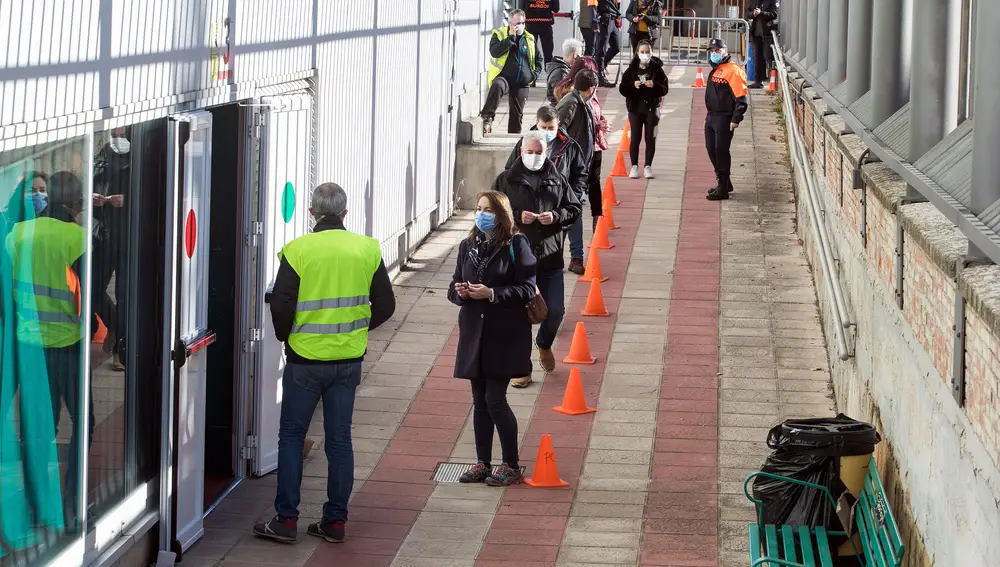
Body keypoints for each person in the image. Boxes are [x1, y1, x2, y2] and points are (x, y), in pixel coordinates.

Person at [254, 183, 396, 544]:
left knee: (291, 436)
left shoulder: (298, 250)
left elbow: (281, 304)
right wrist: (357, 331)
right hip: (348, 360)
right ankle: (335, 522)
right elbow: (386, 305)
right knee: (339, 440)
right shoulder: (367, 248)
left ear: (312, 212)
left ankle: (286, 520)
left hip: (305, 360)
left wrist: (288, 337)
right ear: (345, 214)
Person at [7, 171, 95, 529]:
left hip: (29, 346)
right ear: (72, 203)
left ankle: (35, 500)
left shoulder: (16, 235)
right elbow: (88, 295)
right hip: (67, 347)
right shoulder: (77, 238)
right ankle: (73, 503)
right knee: (82, 422)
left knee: (40, 427)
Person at [449, 191, 536, 487]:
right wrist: (461, 292)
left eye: (487, 209)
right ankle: (482, 463)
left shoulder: (516, 244)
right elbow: (452, 287)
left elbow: (527, 288)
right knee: (479, 401)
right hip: (475, 333)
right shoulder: (468, 246)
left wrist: (493, 293)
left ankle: (510, 464)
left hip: (504, 334)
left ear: (501, 213)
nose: (481, 213)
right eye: (478, 208)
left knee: (495, 399)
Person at [492, 131, 581, 388]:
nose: (533, 157)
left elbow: (574, 208)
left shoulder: (556, 179)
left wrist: (555, 216)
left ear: (546, 152)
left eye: (538, 152)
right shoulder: (506, 180)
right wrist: (517, 216)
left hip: (550, 258)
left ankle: (544, 343)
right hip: (516, 263)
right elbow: (493, 211)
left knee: (554, 311)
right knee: (518, 319)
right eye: (529, 152)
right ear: (521, 152)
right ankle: (521, 368)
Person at [505, 106, 589, 274]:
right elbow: (509, 171)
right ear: (537, 124)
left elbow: (580, 174)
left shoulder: (569, 146)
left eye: (551, 128)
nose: (547, 131)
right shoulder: (524, 143)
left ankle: (576, 257)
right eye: (544, 127)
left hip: (559, 196)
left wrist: (573, 195)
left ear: (558, 124)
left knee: (571, 220)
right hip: (532, 198)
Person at [92, 127, 130, 371]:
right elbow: (93, 180)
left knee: (126, 295)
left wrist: (128, 199)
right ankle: (115, 327)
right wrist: (94, 196)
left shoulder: (143, 153)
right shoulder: (105, 151)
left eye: (122, 127)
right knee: (93, 288)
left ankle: (121, 350)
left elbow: (158, 191)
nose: (117, 131)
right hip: (104, 236)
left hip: (130, 237)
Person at [480, 9, 543, 135]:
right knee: (497, 86)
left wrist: (533, 75)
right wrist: (510, 38)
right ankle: (487, 117)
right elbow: (494, 51)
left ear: (524, 23)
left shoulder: (529, 38)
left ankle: (513, 140)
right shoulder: (499, 34)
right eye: (514, 23)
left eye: (520, 23)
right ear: (509, 23)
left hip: (522, 81)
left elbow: (538, 59)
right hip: (504, 77)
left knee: (517, 114)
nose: (517, 26)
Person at [556, 68, 604, 232]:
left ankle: (577, 251)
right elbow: (558, 131)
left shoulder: (584, 102)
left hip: (583, 162)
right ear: (592, 89)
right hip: (573, 165)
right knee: (574, 204)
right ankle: (573, 247)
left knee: (577, 201)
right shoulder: (571, 103)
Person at [704, 39, 748, 201]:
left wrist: (736, 118)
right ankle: (724, 182)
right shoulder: (716, 70)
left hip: (724, 117)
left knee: (721, 151)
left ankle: (722, 187)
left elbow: (741, 98)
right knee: (711, 149)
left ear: (725, 50)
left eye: (717, 51)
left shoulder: (733, 71)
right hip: (711, 116)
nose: (714, 54)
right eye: (712, 51)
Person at [619, 40, 669, 179]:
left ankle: (648, 166)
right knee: (635, 138)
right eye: (642, 52)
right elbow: (623, 88)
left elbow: (665, 89)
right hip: (635, 108)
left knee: (650, 138)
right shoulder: (631, 69)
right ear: (637, 53)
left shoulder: (657, 69)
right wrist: (632, 85)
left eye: (647, 52)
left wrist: (655, 85)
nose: (645, 55)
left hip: (652, 109)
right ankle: (634, 166)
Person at [746, 0, 778, 89]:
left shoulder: (772, 1)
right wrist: (753, 14)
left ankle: (774, 80)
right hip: (756, 34)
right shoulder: (753, 1)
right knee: (757, 58)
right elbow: (747, 14)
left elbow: (774, 15)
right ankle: (758, 82)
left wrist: (761, 13)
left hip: (767, 33)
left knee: (768, 57)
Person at [546, 38, 584, 106]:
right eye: (580, 54)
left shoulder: (563, 69)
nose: (581, 57)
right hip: (561, 110)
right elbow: (563, 97)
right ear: (575, 55)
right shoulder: (562, 73)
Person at [594, 0, 622, 87]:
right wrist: (594, 21)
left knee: (616, 47)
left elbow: (617, 3)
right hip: (604, 18)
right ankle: (600, 77)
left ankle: (600, 68)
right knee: (601, 49)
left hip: (613, 19)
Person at [524, 0, 559, 66]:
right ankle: (549, 72)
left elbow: (521, 8)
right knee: (548, 52)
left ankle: (530, 72)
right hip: (545, 24)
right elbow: (556, 9)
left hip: (530, 24)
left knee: (530, 51)